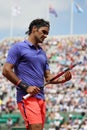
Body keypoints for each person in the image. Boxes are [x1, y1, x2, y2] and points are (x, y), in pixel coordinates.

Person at [2, 18, 72, 130]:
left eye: (47, 33)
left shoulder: (42, 53)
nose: (45, 36)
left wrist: (63, 79)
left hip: (41, 98)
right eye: (44, 32)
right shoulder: (18, 47)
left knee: (35, 128)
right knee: (37, 127)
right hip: (26, 97)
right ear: (34, 29)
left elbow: (48, 77)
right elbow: (6, 70)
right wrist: (26, 87)